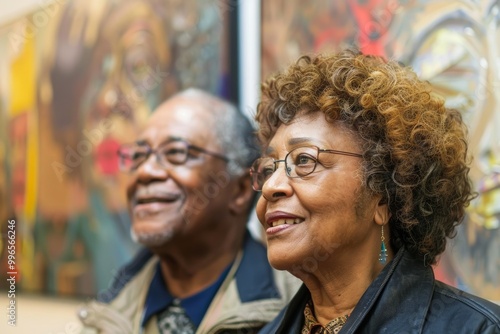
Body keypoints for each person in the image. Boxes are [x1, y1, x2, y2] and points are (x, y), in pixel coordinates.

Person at [251, 49, 500, 333]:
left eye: (304, 160)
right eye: (269, 168)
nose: (271, 187)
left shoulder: (478, 329)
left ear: (382, 196)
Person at [78, 88, 299, 334]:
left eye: (175, 153)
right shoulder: (107, 312)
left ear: (239, 190)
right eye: (139, 155)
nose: (144, 172)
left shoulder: (298, 308)